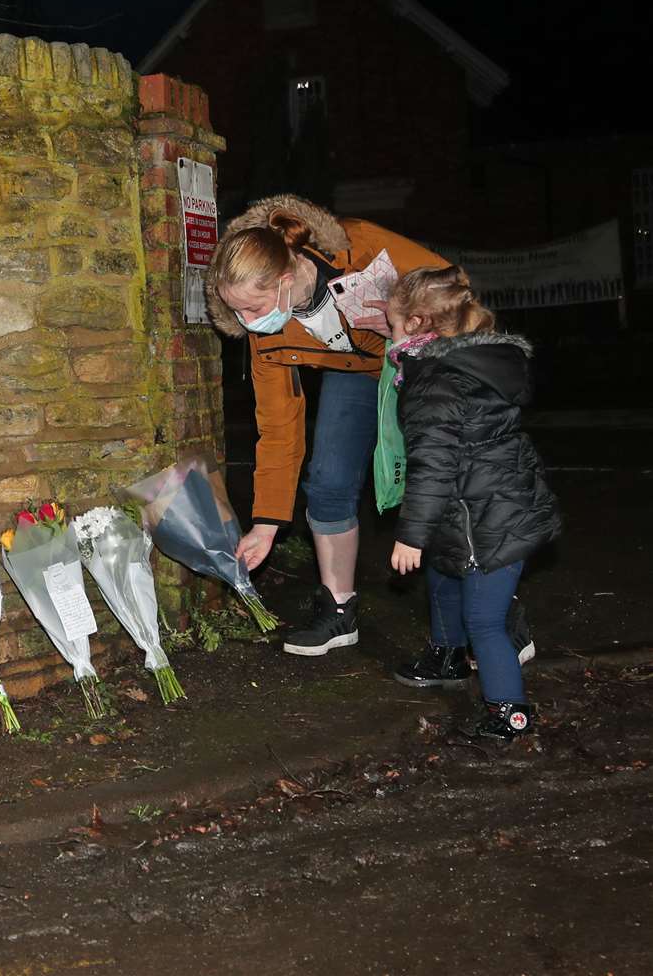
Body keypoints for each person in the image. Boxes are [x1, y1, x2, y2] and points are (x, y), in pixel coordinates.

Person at [206, 195, 447, 656]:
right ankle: (339, 610)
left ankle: (494, 608)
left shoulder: (362, 250)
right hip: (355, 373)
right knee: (328, 481)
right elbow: (278, 429)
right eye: (237, 312)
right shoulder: (265, 336)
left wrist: (410, 326)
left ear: (285, 278)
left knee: (447, 477)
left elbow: (457, 294)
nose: (248, 323)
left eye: (254, 308)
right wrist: (265, 525)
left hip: (427, 362)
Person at [384, 266, 562, 742]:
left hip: (485, 519)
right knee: (444, 573)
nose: (388, 332)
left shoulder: (435, 383)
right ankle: (447, 655)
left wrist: (410, 534)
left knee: (484, 620)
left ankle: (511, 712)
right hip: (486, 504)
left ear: (419, 325)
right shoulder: (475, 362)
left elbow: (433, 464)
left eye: (393, 324)